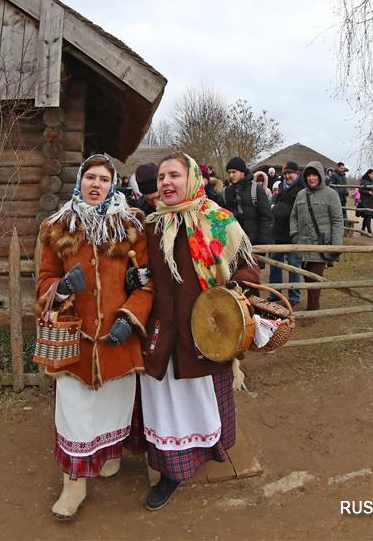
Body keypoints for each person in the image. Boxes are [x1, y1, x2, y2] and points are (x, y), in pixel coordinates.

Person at [36, 154, 154, 520]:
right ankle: (73, 486)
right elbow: (42, 284)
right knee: (74, 414)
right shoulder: (58, 228)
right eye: (90, 177)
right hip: (76, 342)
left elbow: (146, 284)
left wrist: (131, 317)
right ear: (80, 181)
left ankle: (110, 456)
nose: (96, 184)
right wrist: (60, 288)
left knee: (113, 408)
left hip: (119, 341)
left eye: (104, 179)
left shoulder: (131, 226)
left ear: (113, 184)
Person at [141, 152, 260, 510]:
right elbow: (139, 273)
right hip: (162, 334)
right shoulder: (150, 227)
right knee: (171, 407)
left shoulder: (219, 222)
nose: (166, 183)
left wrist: (237, 291)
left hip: (206, 334)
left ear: (192, 178)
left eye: (174, 175)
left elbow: (246, 267)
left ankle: (209, 450)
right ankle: (172, 471)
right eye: (162, 177)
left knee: (201, 399)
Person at [290, 161, 343, 326]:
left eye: (314, 175)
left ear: (320, 175)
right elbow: (293, 216)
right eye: (308, 175)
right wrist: (294, 235)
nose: (311, 178)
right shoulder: (300, 195)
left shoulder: (331, 194)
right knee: (307, 277)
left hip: (321, 245)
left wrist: (336, 245)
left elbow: (337, 220)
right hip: (303, 243)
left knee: (315, 277)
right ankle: (313, 305)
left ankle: (312, 311)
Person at [269, 161, 303, 307]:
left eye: (290, 173)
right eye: (285, 173)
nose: (287, 176)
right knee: (275, 263)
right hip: (279, 232)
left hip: (294, 233)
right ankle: (275, 293)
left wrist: (277, 209)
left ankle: (294, 295)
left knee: (294, 265)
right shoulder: (281, 186)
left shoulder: (302, 189)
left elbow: (298, 211)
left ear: (297, 173)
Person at [223, 157, 273, 245]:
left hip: (254, 245)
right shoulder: (225, 192)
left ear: (242, 172)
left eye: (234, 172)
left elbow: (266, 218)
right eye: (229, 172)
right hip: (233, 245)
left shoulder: (256, 189)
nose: (231, 175)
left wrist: (262, 244)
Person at [358, 169, 373, 236]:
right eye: (372, 174)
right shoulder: (364, 181)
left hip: (372, 201)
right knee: (368, 215)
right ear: (368, 174)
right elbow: (360, 190)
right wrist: (368, 192)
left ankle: (362, 230)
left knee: (367, 216)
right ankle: (369, 231)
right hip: (366, 201)